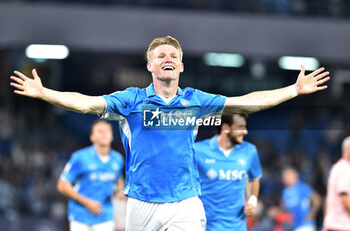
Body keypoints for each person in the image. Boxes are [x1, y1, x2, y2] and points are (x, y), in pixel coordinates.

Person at [10, 36, 330, 231]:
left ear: (180, 68)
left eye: (174, 57)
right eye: (161, 56)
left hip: (185, 200)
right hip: (141, 201)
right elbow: (86, 104)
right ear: (150, 66)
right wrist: (46, 93)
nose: (168, 59)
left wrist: (292, 90)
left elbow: (246, 102)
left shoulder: (195, 100)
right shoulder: (131, 100)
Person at [194, 114, 262, 231]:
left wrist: (252, 201)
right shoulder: (198, 150)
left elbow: (254, 178)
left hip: (237, 226)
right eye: (240, 127)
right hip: (206, 226)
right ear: (226, 128)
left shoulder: (249, 150)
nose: (245, 132)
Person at [57, 120, 125, 231]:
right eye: (99, 131)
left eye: (107, 131)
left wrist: (120, 190)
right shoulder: (80, 157)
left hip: (105, 216)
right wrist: (87, 202)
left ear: (112, 136)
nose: (104, 133)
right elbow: (62, 185)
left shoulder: (118, 159)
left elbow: (118, 179)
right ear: (92, 137)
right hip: (80, 216)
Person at [281, 166, 321, 231]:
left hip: (305, 225)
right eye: (284, 175)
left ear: (295, 175)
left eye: (288, 174)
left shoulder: (302, 187)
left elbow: (317, 200)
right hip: (294, 226)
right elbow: (285, 208)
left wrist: (312, 213)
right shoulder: (285, 192)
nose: (286, 177)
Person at [323, 136, 350, 231]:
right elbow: (344, 198)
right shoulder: (345, 169)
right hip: (342, 225)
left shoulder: (336, 167)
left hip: (332, 224)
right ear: (346, 150)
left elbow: (328, 199)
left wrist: (326, 223)